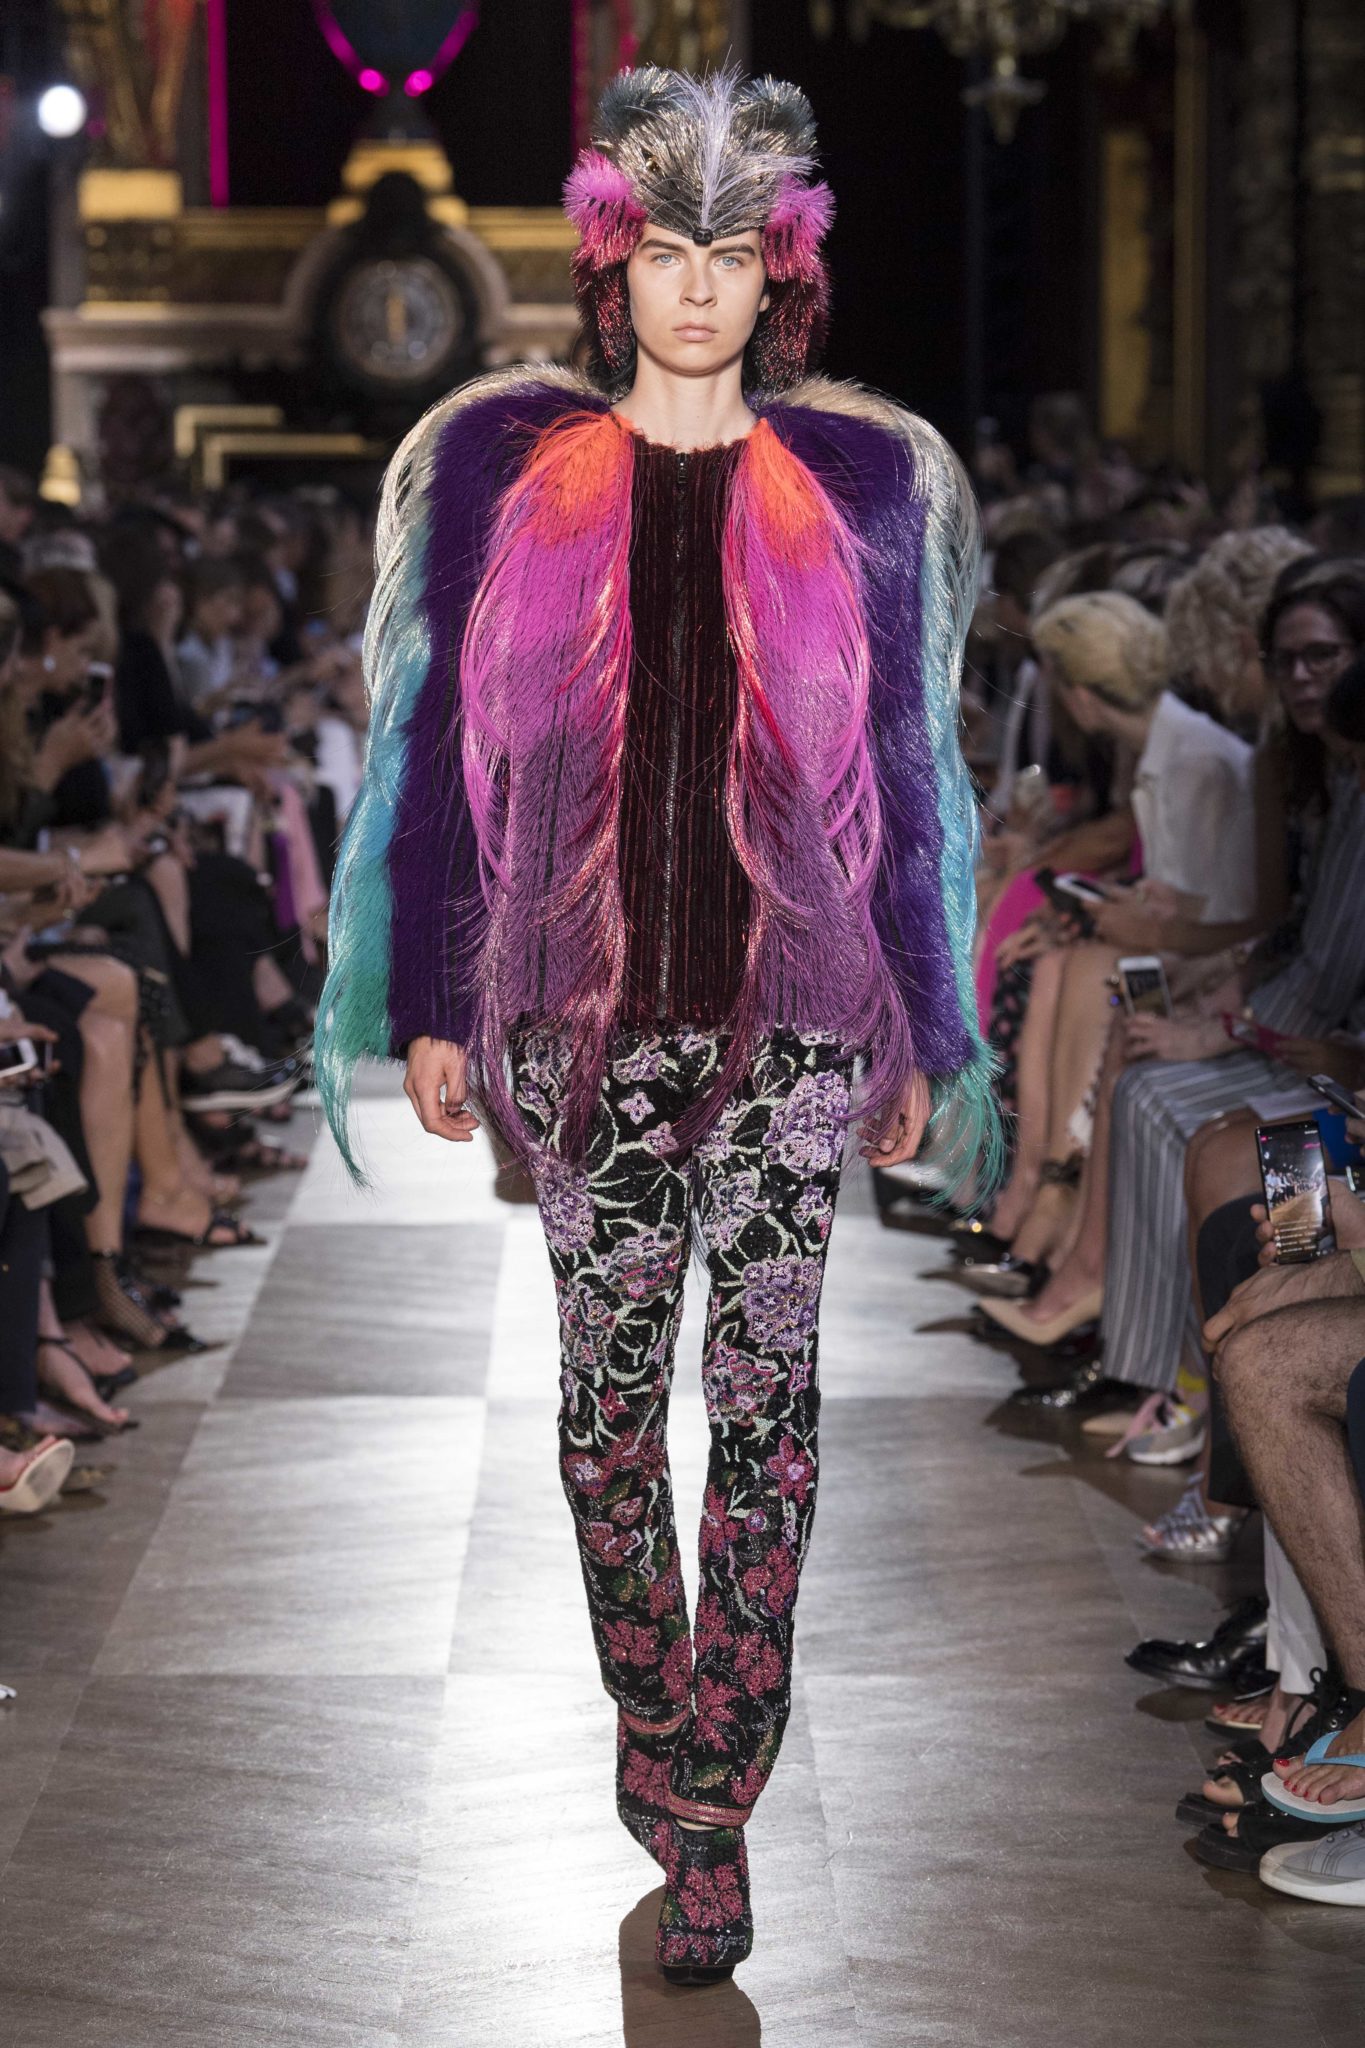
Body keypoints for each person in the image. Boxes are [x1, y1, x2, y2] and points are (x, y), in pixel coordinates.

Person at [315, 64, 997, 1986]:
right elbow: (433, 747)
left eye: (734, 252)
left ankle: (714, 1819)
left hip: (796, 1019)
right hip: (577, 1024)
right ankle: (660, 1731)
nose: (699, 287)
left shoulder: (864, 479)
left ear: (781, 273)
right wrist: (429, 1000)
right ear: (613, 265)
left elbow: (905, 768)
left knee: (767, 1416)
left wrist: (924, 1019)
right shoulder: (497, 464)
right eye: (668, 250)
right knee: (607, 1421)